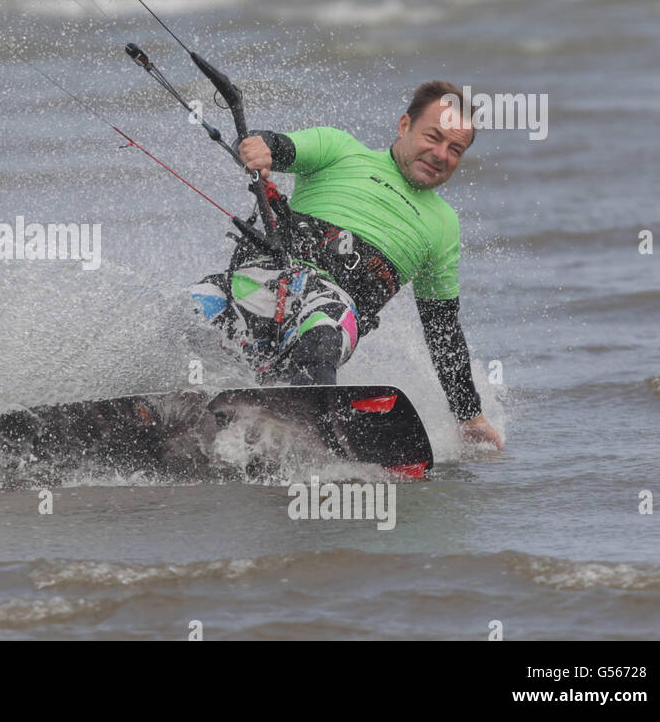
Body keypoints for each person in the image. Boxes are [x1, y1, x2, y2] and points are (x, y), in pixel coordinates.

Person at [189, 80, 503, 449]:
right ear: (404, 126)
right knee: (193, 308)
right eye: (433, 137)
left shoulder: (443, 226)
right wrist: (260, 146)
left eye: (455, 149)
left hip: (331, 312)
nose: (440, 154)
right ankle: (170, 413)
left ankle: (313, 449)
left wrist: (470, 416)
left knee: (319, 336)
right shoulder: (340, 149)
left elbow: (442, 331)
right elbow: (279, 146)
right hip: (263, 282)